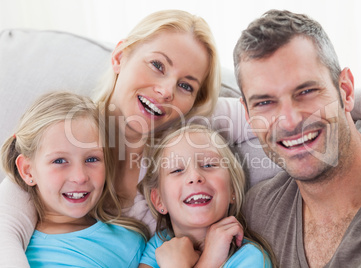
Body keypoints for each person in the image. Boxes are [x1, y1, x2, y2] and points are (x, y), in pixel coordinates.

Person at [0, 9, 249, 267]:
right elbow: (4, 233)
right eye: (157, 65)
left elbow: (273, 113)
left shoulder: (187, 137)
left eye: (186, 86)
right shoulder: (62, 135)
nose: (165, 91)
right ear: (120, 57)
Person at [233, 9, 361, 268]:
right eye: (265, 102)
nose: (289, 121)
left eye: (306, 91)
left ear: (345, 90)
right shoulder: (256, 213)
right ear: (247, 114)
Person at [0, 91, 148, 267]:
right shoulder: (12, 243)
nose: (80, 177)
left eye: (92, 159)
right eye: (59, 161)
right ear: (27, 170)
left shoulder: (129, 242)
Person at [137, 124, 276, 268]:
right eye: (177, 170)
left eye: (209, 165)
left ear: (232, 189)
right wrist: (209, 261)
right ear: (159, 200)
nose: (195, 176)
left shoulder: (250, 258)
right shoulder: (160, 244)